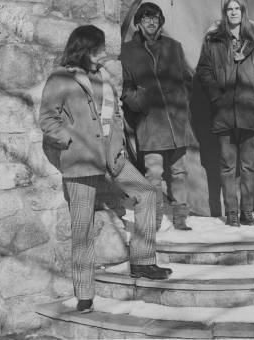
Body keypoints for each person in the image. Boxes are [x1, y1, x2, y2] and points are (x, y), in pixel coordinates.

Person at [39, 25, 172, 314]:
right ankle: (85, 293)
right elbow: (48, 119)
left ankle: (143, 261)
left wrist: (120, 145)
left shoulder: (103, 78)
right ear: (83, 49)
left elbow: (114, 116)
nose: (102, 54)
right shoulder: (61, 78)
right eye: (98, 48)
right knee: (82, 229)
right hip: (81, 162)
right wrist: (70, 141)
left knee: (148, 194)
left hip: (113, 158)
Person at [196, 0, 254, 227]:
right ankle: (231, 213)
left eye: (237, 8)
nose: (233, 12)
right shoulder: (214, 41)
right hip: (224, 111)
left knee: (248, 166)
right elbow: (204, 70)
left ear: (243, 12)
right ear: (225, 13)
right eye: (229, 9)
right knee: (228, 166)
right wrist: (216, 97)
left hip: (250, 111)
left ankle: (247, 212)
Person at [121, 2, 196, 231]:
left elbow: (188, 77)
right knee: (153, 173)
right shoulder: (127, 51)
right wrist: (140, 102)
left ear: (161, 21)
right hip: (150, 122)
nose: (151, 22)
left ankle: (181, 215)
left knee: (180, 171)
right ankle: (153, 218)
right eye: (146, 18)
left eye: (155, 18)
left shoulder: (174, 47)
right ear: (138, 23)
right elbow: (125, 88)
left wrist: (182, 103)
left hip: (176, 120)